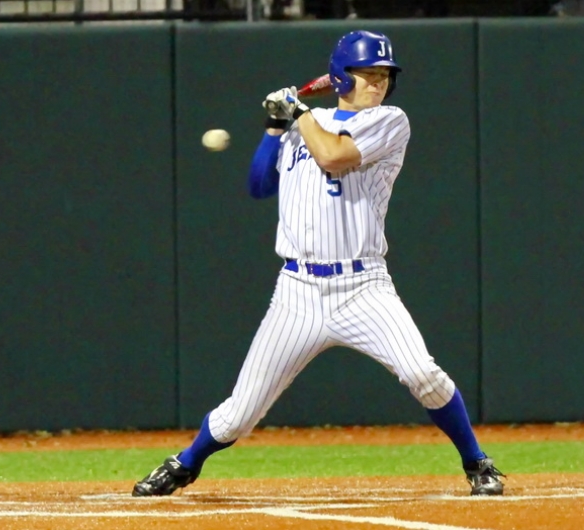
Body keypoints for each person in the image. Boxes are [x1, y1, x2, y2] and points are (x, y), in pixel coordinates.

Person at [133, 30, 505, 497]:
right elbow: (258, 185)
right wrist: (274, 127)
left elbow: (333, 156)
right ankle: (185, 464)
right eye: (368, 74)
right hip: (298, 291)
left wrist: (299, 112)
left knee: (421, 373)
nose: (378, 83)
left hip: (363, 286)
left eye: (385, 75)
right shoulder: (304, 124)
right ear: (339, 76)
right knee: (239, 413)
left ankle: (477, 461)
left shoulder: (390, 121)